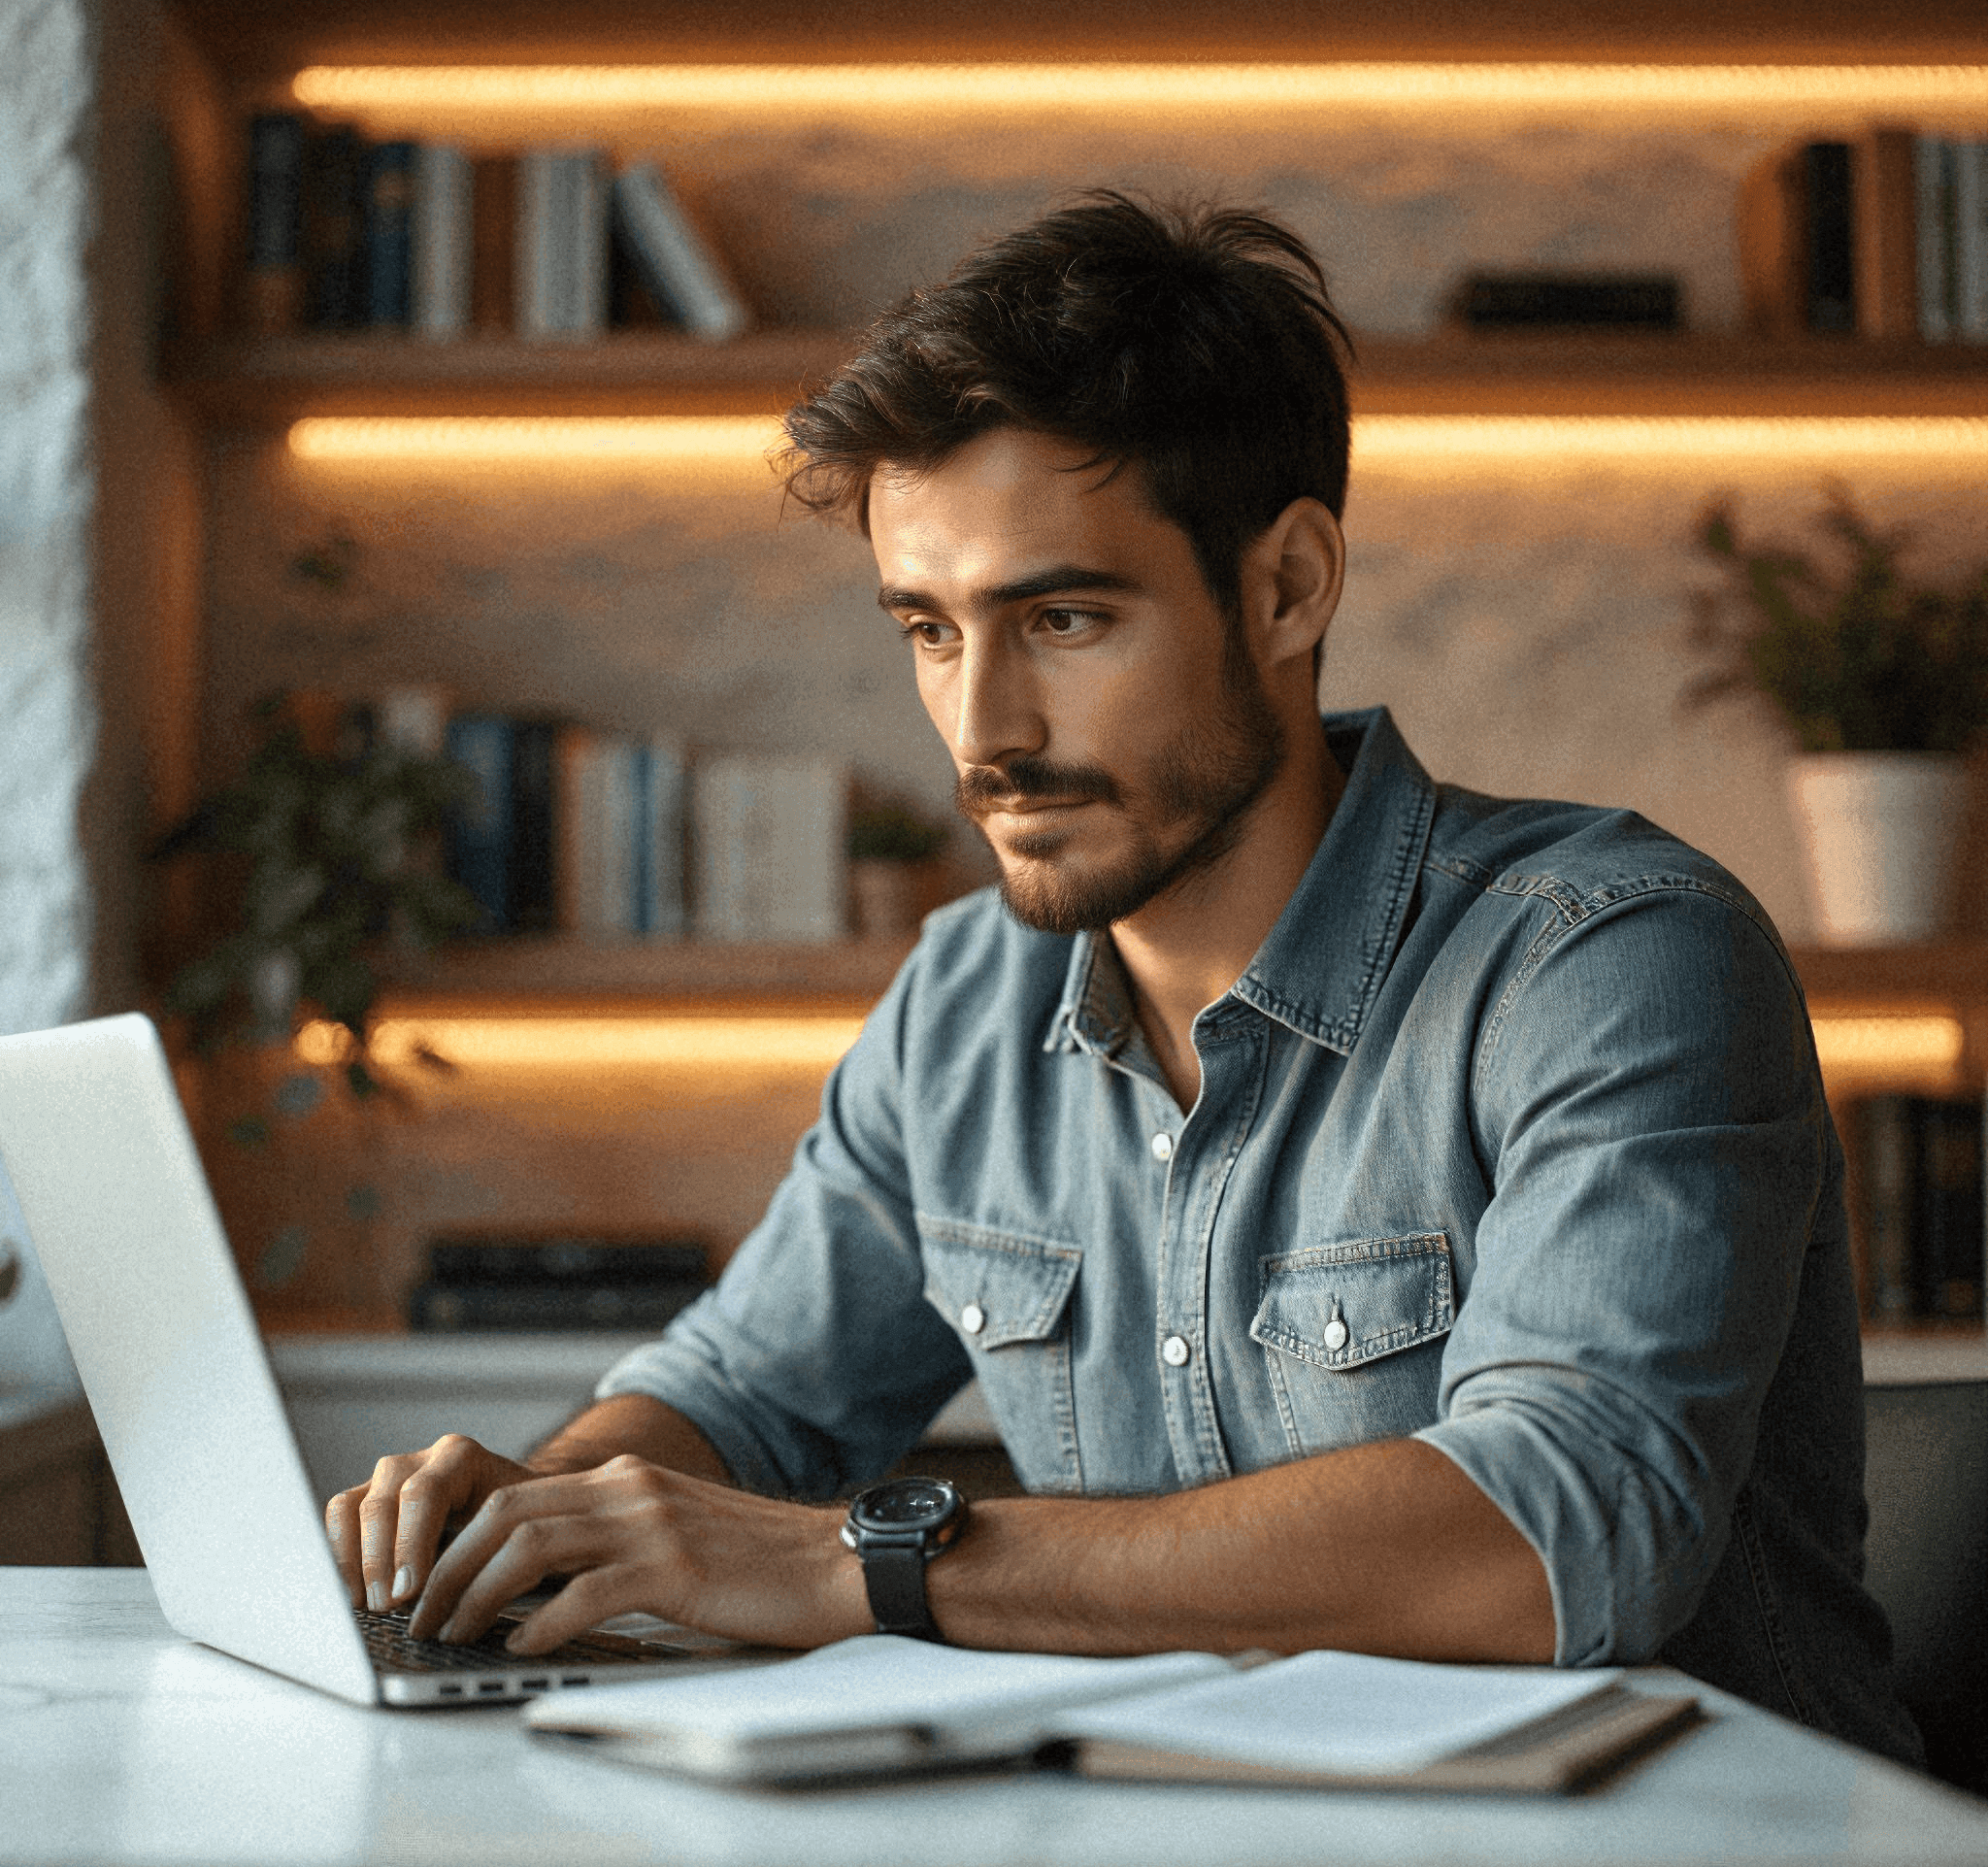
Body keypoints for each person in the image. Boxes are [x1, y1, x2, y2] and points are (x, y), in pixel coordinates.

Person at [327, 193, 1917, 1763]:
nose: (983, 732)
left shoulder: (1612, 955)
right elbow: (741, 1401)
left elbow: (1556, 1530)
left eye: (1064, 618)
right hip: (1199, 1852)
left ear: (1289, 588)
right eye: (932, 631)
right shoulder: (964, 999)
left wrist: (845, 1566)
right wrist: (544, 1518)